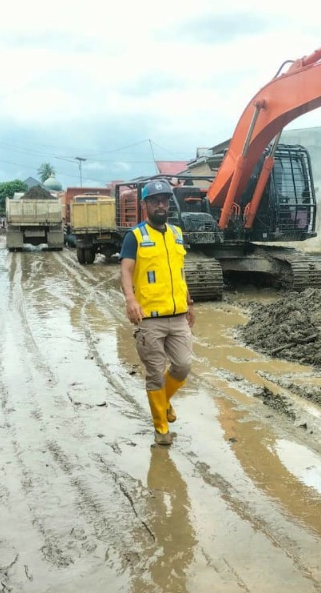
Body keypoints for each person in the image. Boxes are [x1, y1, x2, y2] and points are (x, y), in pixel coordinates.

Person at [119, 180, 195, 446]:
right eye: (155, 201)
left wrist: (189, 302)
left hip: (177, 315)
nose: (161, 205)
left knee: (183, 366)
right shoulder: (135, 237)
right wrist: (130, 300)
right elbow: (126, 271)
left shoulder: (176, 233)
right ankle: (161, 429)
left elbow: (179, 271)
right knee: (154, 372)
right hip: (149, 319)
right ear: (145, 205)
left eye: (164, 200)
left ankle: (164, 402)